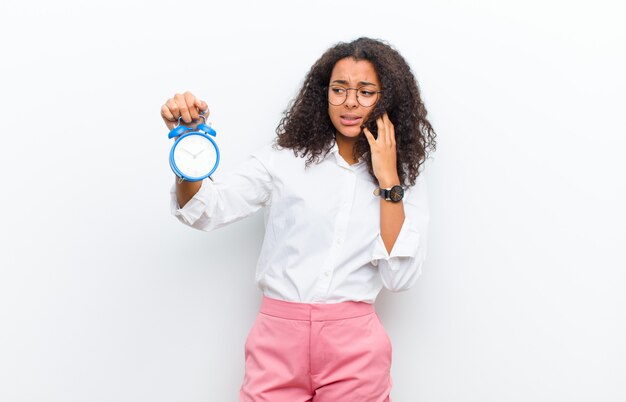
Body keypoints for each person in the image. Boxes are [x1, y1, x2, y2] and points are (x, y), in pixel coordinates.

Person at [161, 37, 436, 402]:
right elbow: (206, 210)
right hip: (278, 338)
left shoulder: (404, 180)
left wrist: (389, 183)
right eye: (339, 89)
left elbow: (398, 278)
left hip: (355, 347)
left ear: (387, 99)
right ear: (324, 95)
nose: (350, 102)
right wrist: (190, 147)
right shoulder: (284, 160)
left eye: (366, 91)